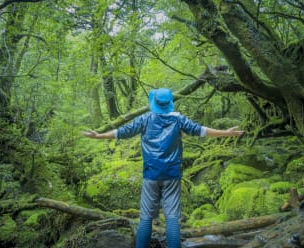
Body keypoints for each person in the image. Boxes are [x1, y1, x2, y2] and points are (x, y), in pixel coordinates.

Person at [82, 88, 244, 248]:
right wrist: (225, 132)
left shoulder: (145, 119)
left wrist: (99, 136)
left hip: (151, 175)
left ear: (154, 103)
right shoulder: (178, 119)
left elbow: (122, 132)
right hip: (172, 175)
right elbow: (201, 131)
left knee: (145, 218)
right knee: (172, 217)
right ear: (169, 103)